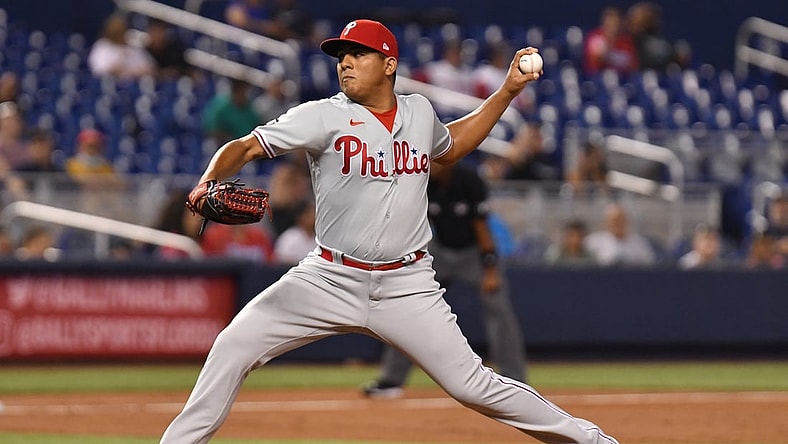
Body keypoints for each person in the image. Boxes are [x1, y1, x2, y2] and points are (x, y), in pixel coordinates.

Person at [160, 19, 618, 444]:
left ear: (389, 64)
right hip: (328, 277)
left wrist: (507, 90)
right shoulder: (322, 115)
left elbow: (451, 145)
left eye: (358, 54)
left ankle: (592, 440)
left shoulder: (418, 112)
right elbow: (244, 146)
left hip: (407, 285)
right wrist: (207, 181)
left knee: (474, 386)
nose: (345, 62)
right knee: (233, 345)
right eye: (341, 55)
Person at [362, 160, 527, 398]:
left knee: (499, 308)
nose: (432, 165)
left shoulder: (468, 180)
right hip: (440, 252)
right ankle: (391, 379)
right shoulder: (421, 181)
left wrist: (490, 269)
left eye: (437, 161)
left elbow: (481, 226)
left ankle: (516, 380)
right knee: (409, 306)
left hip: (474, 253)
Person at [584, 202, 657, 266]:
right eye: (614, 220)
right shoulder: (593, 241)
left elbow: (650, 266)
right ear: (606, 222)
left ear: (627, 220)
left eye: (620, 219)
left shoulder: (640, 244)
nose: (617, 223)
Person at [87, 13, 156, 80]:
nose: (118, 32)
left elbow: (150, 68)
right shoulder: (102, 46)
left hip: (133, 85)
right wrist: (119, 67)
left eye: (121, 29)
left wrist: (129, 71)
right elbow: (99, 70)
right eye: (116, 30)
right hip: (109, 85)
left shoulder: (133, 46)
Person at [202, 78, 262, 142]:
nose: (244, 95)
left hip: (246, 144)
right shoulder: (221, 106)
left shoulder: (250, 110)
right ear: (235, 91)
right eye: (241, 91)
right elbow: (212, 129)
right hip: (223, 143)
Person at [583, 6, 638, 76]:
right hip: (597, 78)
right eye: (610, 23)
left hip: (621, 79)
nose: (613, 26)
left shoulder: (625, 41)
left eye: (616, 23)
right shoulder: (595, 37)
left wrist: (608, 56)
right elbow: (596, 60)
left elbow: (632, 65)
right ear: (604, 23)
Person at [273, 198, 317, 264]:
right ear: (300, 217)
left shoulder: (319, 240)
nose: (313, 217)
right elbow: (281, 264)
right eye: (309, 214)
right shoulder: (289, 238)